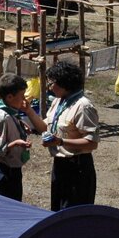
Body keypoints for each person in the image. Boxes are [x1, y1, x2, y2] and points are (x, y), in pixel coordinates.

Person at [43, 61, 100, 211]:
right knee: (57, 211)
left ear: (64, 84)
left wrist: (60, 141)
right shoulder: (59, 100)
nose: (49, 87)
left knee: (73, 213)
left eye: (51, 83)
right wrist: (28, 113)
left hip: (77, 168)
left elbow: (91, 143)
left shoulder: (83, 106)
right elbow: (48, 124)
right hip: (60, 164)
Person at [0, 73, 47, 201]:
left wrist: (20, 125)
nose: (25, 100)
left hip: (13, 168)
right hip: (4, 171)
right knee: (5, 207)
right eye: (21, 96)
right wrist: (16, 143)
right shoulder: (2, 117)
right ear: (9, 97)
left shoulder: (9, 110)